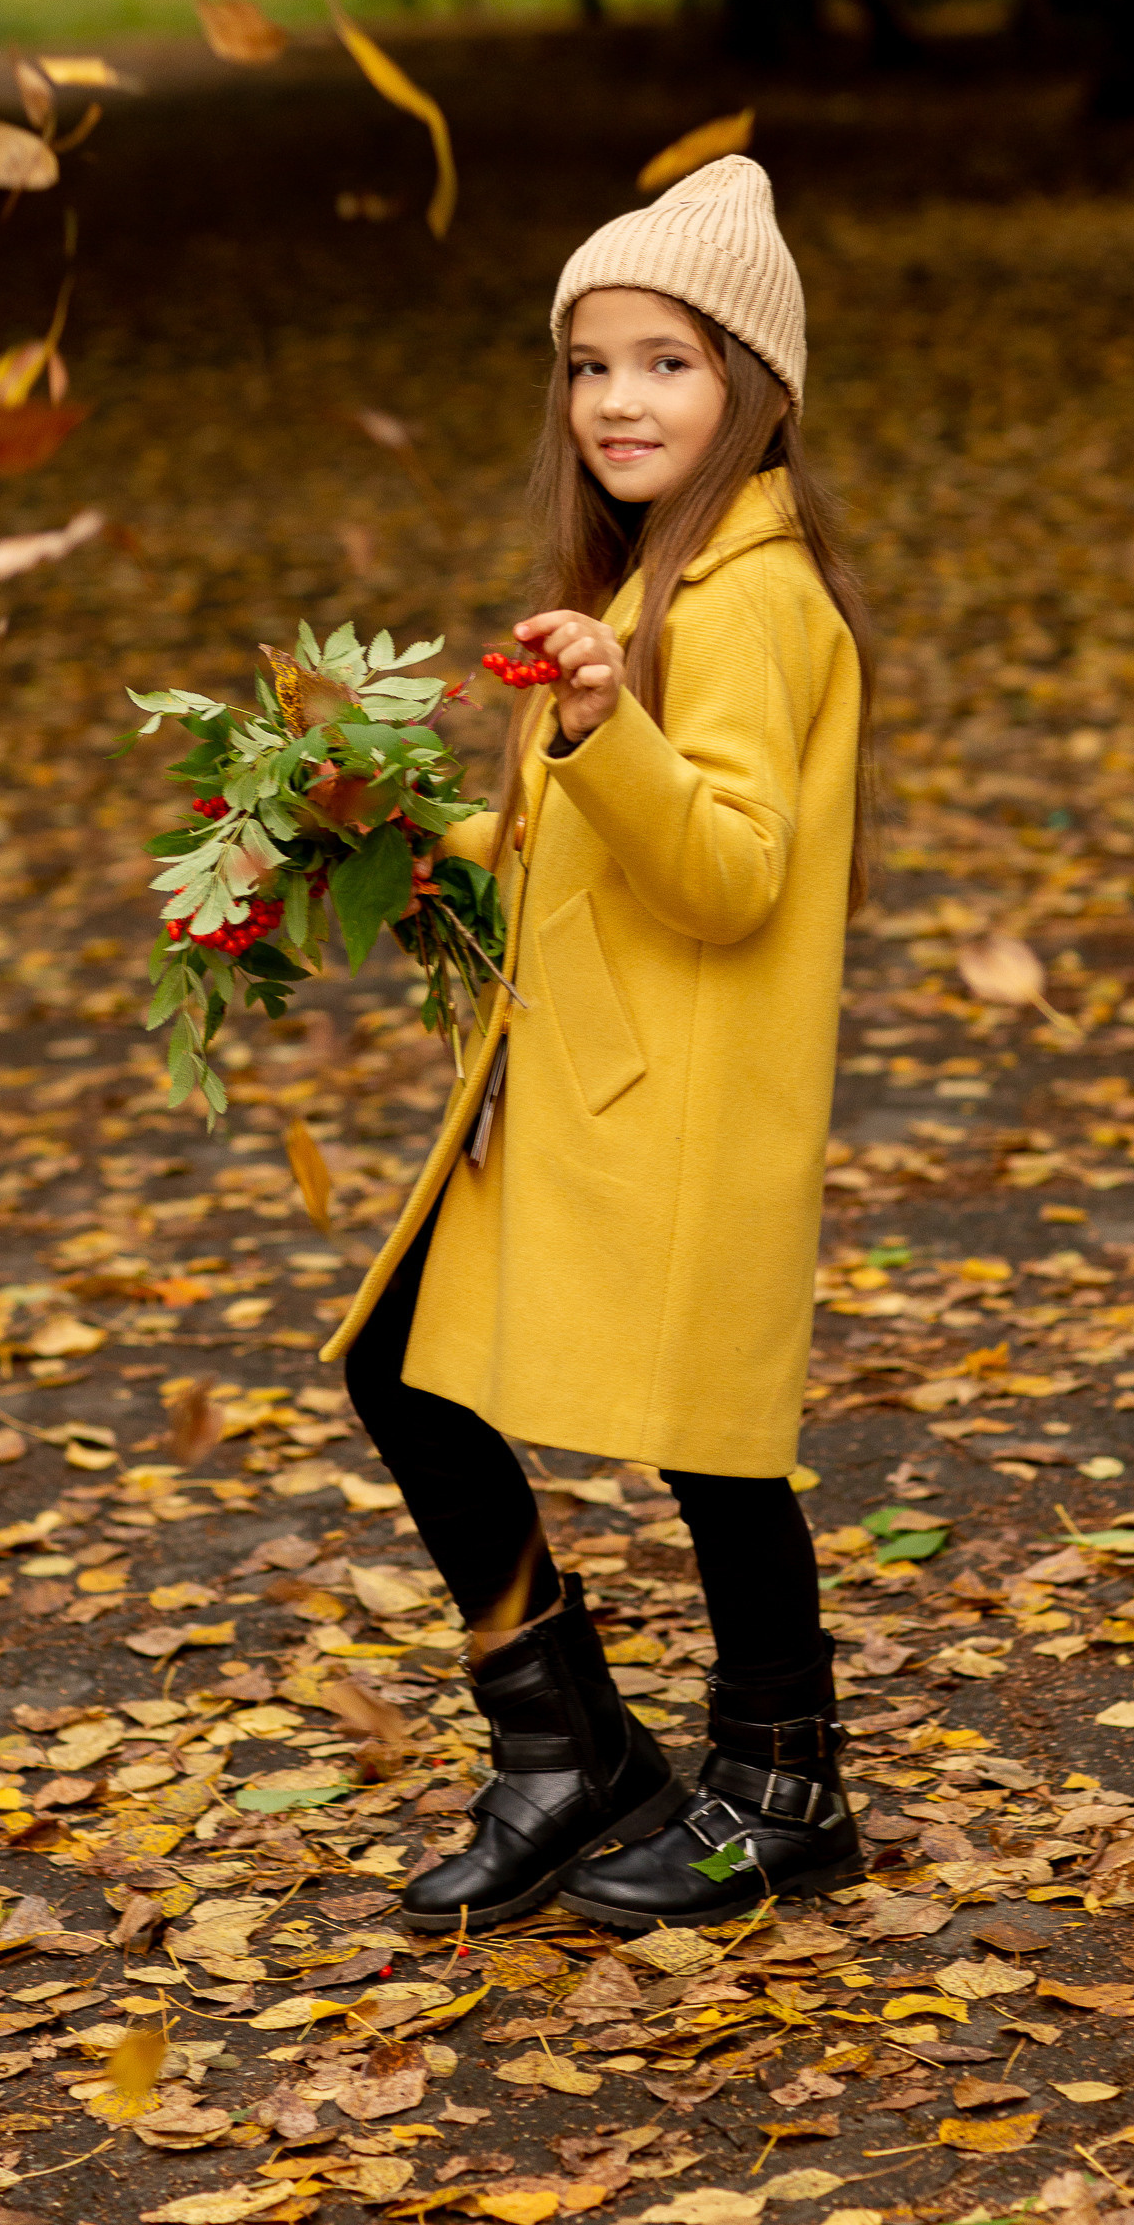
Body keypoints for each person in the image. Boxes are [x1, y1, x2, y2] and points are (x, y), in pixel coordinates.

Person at [321, 153, 874, 1931]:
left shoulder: (750, 606)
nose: (618, 399)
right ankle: (569, 1753)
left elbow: (727, 872)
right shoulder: (656, 588)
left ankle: (782, 1788)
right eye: (590, 363)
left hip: (688, 1100)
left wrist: (609, 722)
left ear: (755, 391)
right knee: (405, 1368)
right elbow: (577, 844)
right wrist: (395, 839)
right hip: (585, 1090)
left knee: (714, 1445)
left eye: (668, 363)